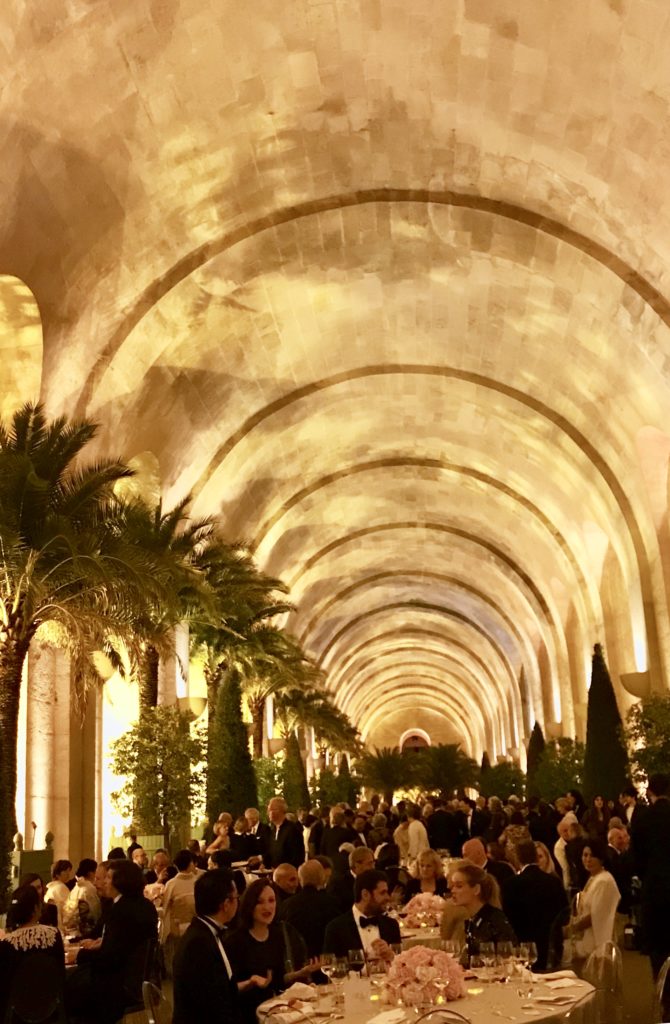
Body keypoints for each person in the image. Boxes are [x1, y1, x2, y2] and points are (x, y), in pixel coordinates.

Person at [66, 860, 158, 1024]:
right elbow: (124, 944)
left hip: (118, 983)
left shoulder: (121, 910)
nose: (104, 882)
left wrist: (80, 955)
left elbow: (110, 957)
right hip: (137, 978)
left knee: (68, 988)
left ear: (120, 881)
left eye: (108, 877)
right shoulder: (144, 905)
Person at [224, 878, 317, 1023]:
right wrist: (251, 982)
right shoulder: (235, 941)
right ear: (250, 905)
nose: (267, 907)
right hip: (247, 1015)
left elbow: (277, 980)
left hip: (276, 1011)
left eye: (271, 900)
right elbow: (225, 992)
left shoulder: (276, 934)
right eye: (260, 902)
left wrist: (301, 973)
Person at [173, 867, 242, 1024]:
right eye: (236, 897)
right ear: (226, 904)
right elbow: (209, 1006)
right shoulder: (198, 944)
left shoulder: (205, 932)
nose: (238, 902)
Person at [0, 885, 64, 1021]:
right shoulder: (54, 935)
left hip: (17, 1014)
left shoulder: (8, 943)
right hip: (51, 1010)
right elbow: (60, 974)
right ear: (36, 908)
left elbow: (4, 986)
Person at [502, 840, 568, 971]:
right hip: (550, 946)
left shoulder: (511, 884)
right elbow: (564, 914)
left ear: (518, 858)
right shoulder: (553, 882)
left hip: (522, 947)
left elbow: (507, 918)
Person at [631, 772, 670, 976]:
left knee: (658, 950)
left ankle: (663, 998)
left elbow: (636, 859)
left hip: (654, 890)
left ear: (650, 791)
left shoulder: (643, 819)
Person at [323, 868, 401, 959]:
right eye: (382, 893)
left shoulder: (391, 925)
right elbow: (331, 967)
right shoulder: (336, 928)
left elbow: (401, 967)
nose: (388, 897)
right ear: (365, 894)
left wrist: (391, 956)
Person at [565, 838, 620, 967]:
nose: (588, 859)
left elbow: (596, 915)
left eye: (592, 856)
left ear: (601, 858)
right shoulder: (593, 878)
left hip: (597, 941)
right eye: (585, 855)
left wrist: (572, 929)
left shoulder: (604, 881)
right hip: (587, 937)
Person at [449, 860, 516, 958]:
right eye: (453, 886)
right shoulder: (473, 920)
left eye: (459, 886)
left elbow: (509, 957)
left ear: (476, 889)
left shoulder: (494, 920)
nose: (453, 890)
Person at [278, 859, 340, 957]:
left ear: (300, 879)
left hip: (298, 960)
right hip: (327, 959)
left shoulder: (287, 905)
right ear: (322, 878)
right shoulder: (333, 903)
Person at [62, 858, 101, 935]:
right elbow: (95, 912)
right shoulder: (89, 888)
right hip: (84, 930)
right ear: (91, 873)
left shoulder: (76, 887)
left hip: (70, 928)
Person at [267, 797, 305, 868]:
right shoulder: (273, 830)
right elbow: (273, 852)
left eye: (272, 809)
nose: (268, 812)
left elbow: (297, 857)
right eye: (268, 810)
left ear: (281, 810)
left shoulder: (292, 830)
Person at [44, 859, 73, 926]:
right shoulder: (60, 887)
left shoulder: (51, 888)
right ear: (57, 874)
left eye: (69, 871)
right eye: (65, 871)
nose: (68, 874)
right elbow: (70, 909)